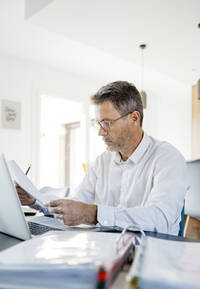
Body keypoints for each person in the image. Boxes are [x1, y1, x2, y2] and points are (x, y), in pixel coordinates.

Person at [17, 81, 188, 235]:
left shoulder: (167, 158)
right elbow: (76, 203)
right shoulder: (102, 162)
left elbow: (161, 219)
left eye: (107, 123)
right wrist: (35, 200)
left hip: (152, 254)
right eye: (98, 123)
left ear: (134, 118)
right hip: (105, 250)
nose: (100, 132)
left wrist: (94, 213)